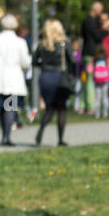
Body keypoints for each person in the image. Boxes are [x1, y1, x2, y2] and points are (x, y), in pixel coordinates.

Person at [0, 14, 31, 146]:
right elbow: (25, 62)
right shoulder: (20, 42)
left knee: (3, 108)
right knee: (10, 107)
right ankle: (7, 136)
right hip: (14, 79)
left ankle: (4, 135)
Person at [31, 19, 73, 147]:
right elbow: (72, 60)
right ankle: (60, 139)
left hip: (45, 77)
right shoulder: (64, 43)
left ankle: (41, 129)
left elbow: (34, 62)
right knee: (61, 109)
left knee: (49, 108)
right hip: (59, 76)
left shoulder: (42, 44)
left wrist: (44, 65)